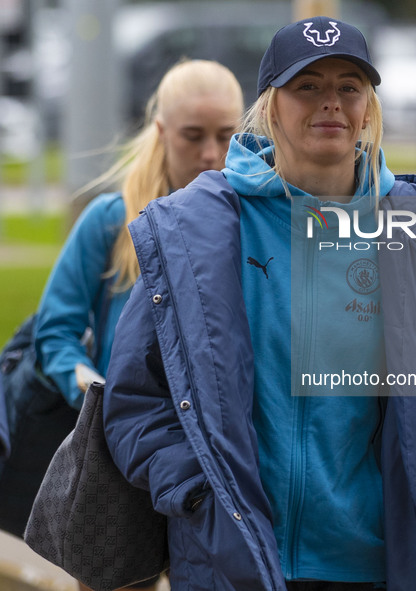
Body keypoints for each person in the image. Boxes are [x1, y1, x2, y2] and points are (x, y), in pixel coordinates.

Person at [103, 16, 416, 591]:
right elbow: (137, 399)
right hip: (232, 561)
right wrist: (199, 496)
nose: (331, 104)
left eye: (349, 86)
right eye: (308, 86)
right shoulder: (193, 230)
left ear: (368, 106)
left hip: (379, 568)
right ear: (271, 105)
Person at [34, 59, 244, 591]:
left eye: (227, 135)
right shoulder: (111, 220)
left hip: (220, 455)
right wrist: (87, 386)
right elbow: (54, 333)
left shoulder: (253, 222)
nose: (211, 154)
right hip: (123, 454)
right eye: (193, 136)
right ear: (160, 132)